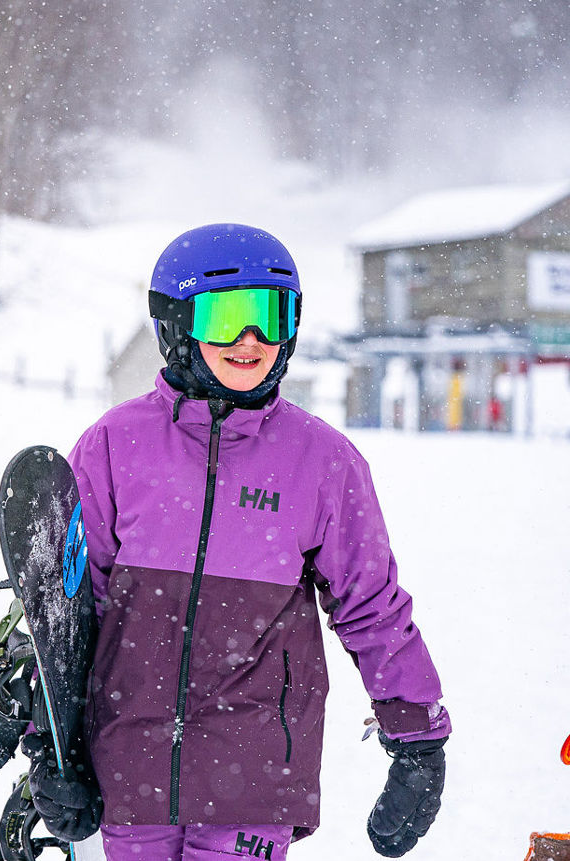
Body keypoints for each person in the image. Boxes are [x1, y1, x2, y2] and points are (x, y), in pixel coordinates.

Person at [26, 224, 450, 860]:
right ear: (176, 324)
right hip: (128, 765)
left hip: (256, 771)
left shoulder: (322, 461)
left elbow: (371, 604)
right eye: (226, 318)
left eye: (270, 317)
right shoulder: (115, 445)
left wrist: (417, 737)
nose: (250, 340)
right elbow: (70, 611)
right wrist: (50, 746)